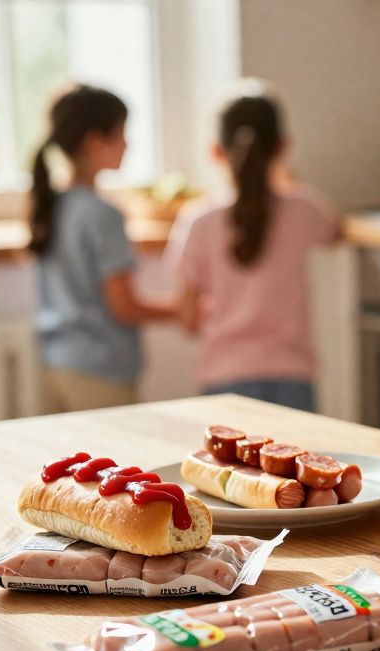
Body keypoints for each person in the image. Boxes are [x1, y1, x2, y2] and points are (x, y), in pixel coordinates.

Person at [168, 80, 339, 412]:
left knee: (229, 467)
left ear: (215, 151)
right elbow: (336, 230)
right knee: (296, 464)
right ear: (283, 148)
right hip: (293, 379)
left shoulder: (198, 220)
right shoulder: (304, 209)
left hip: (224, 380)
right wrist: (283, 174)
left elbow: (187, 318)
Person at [29, 84, 174, 413]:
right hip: (101, 373)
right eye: (122, 133)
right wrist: (178, 310)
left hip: (57, 366)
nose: (128, 144)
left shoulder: (52, 205)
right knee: (109, 465)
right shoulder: (101, 214)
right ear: (94, 141)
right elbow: (123, 306)